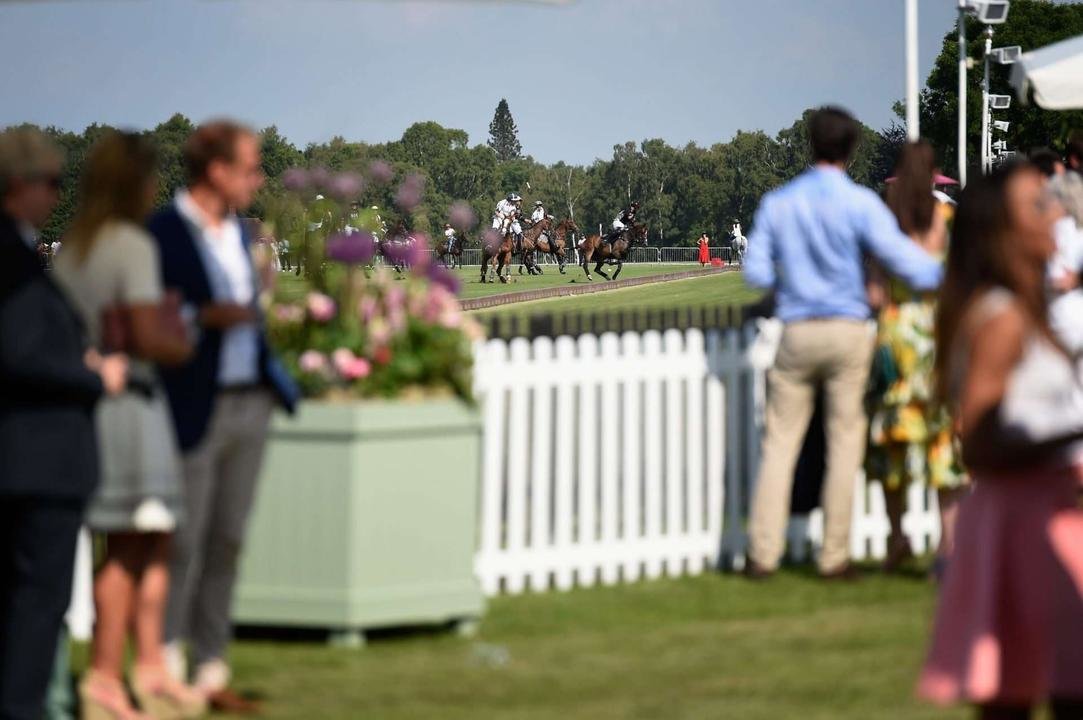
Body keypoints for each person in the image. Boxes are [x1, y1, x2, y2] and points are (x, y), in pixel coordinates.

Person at [742, 107, 942, 580]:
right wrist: (951, 273)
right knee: (844, 442)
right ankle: (833, 557)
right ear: (851, 150)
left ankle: (762, 554)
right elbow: (905, 261)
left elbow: (755, 271)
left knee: (780, 443)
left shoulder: (780, 202)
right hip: (849, 330)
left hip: (797, 329)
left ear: (811, 144)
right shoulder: (860, 204)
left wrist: (784, 286)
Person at [918, 160, 1083, 719]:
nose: (1057, 211)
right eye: (1039, 205)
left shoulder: (1024, 311)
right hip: (1025, 521)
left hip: (1045, 514)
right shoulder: (1002, 318)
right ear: (1003, 230)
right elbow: (978, 438)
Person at [52, 131, 205, 720]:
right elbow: (146, 335)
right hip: (132, 402)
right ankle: (111, 678)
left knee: (143, 536)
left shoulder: (73, 249)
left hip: (95, 403)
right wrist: (182, 338)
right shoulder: (130, 246)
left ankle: (143, 670)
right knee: (133, 541)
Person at [150, 120, 299, 715]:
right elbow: (146, 321)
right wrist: (201, 317)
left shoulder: (239, 235)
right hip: (195, 401)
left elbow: (248, 311)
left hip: (249, 400)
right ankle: (163, 667)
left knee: (230, 537)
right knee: (184, 538)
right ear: (216, 171)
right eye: (250, 168)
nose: (258, 178)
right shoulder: (164, 232)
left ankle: (211, 669)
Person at [0, 127, 128, 720]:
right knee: (34, 607)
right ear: (18, 185)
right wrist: (92, 375)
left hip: (30, 454)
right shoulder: (12, 257)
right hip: (36, 458)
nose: (56, 197)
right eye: (50, 183)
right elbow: (19, 352)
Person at [864, 141, 966, 577]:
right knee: (943, 440)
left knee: (894, 441)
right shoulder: (950, 220)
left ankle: (897, 535)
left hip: (897, 336)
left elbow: (873, 293)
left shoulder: (886, 225)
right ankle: (949, 542)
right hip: (938, 334)